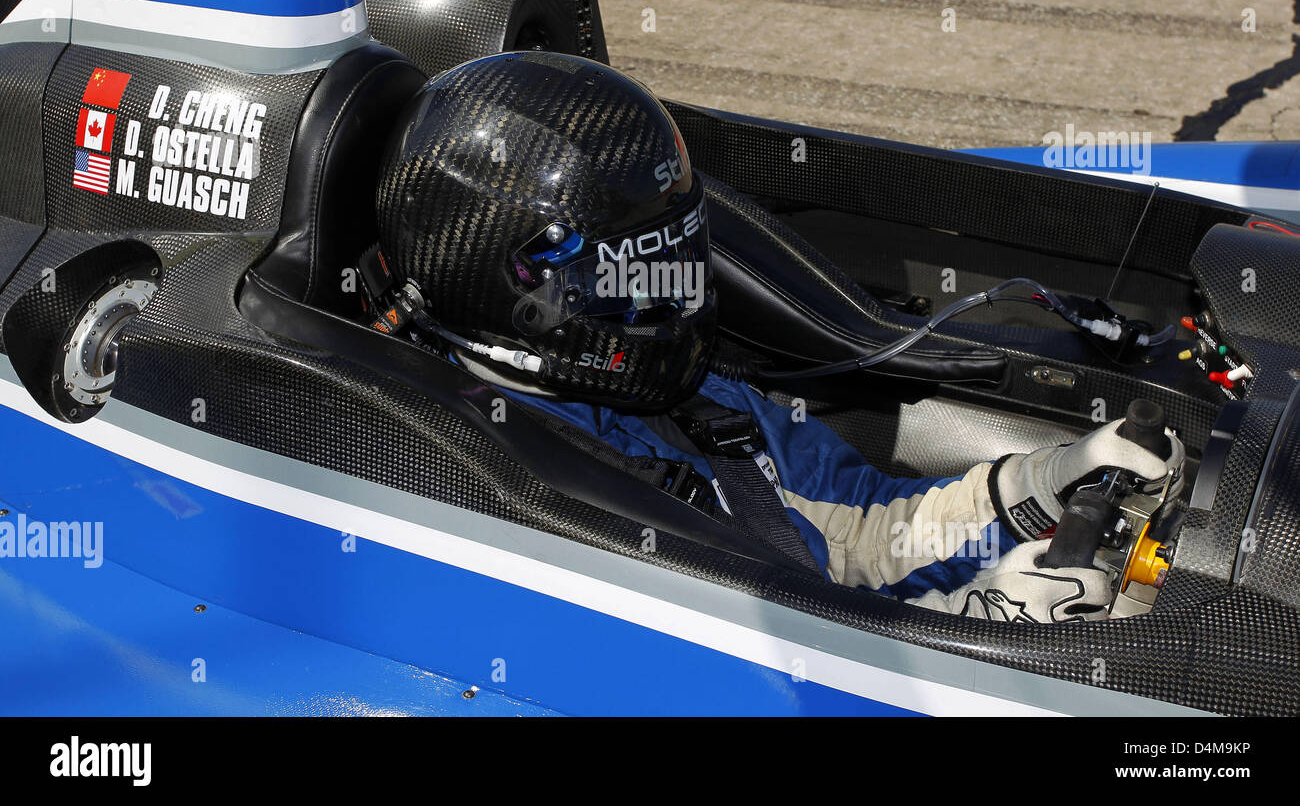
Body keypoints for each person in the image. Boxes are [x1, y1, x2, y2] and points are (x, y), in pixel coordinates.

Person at [365, 51, 1185, 623]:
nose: (673, 296)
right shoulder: (475, 479)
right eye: (632, 274)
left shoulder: (700, 400)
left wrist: (1038, 487)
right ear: (514, 288)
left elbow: (857, 527)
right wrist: (964, 639)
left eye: (678, 254)